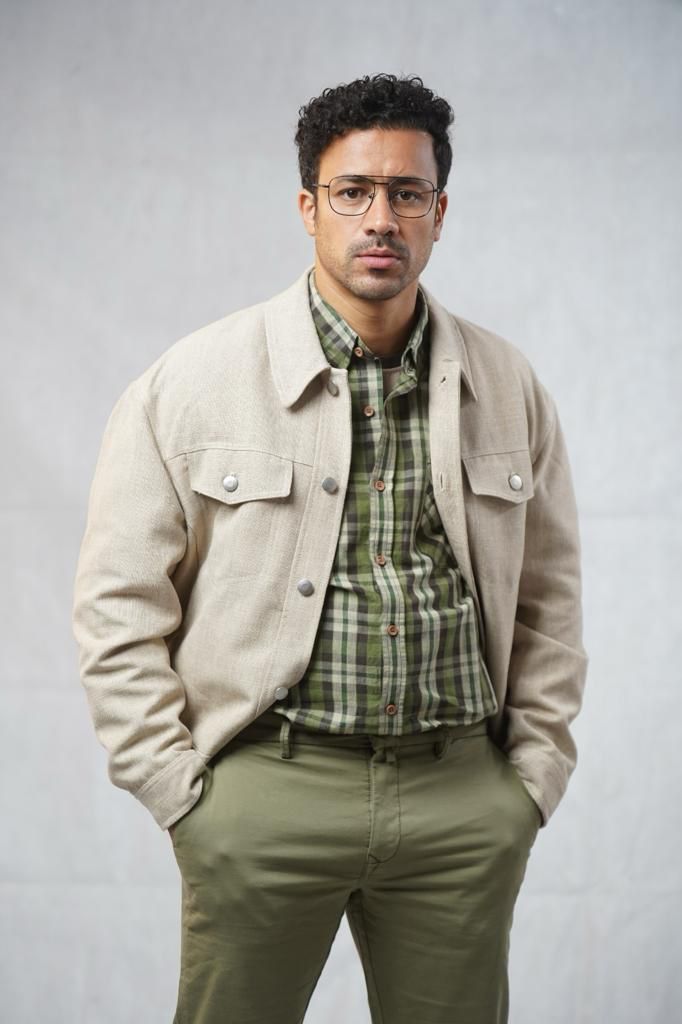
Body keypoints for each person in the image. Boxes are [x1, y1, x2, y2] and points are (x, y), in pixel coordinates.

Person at [72, 72, 588, 1024]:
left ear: (440, 213)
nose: (380, 218)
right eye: (353, 191)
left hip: (460, 798)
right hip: (264, 794)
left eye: (407, 193)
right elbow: (117, 604)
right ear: (309, 207)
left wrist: (529, 782)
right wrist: (182, 795)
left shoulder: (508, 385)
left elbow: (549, 601)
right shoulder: (191, 384)